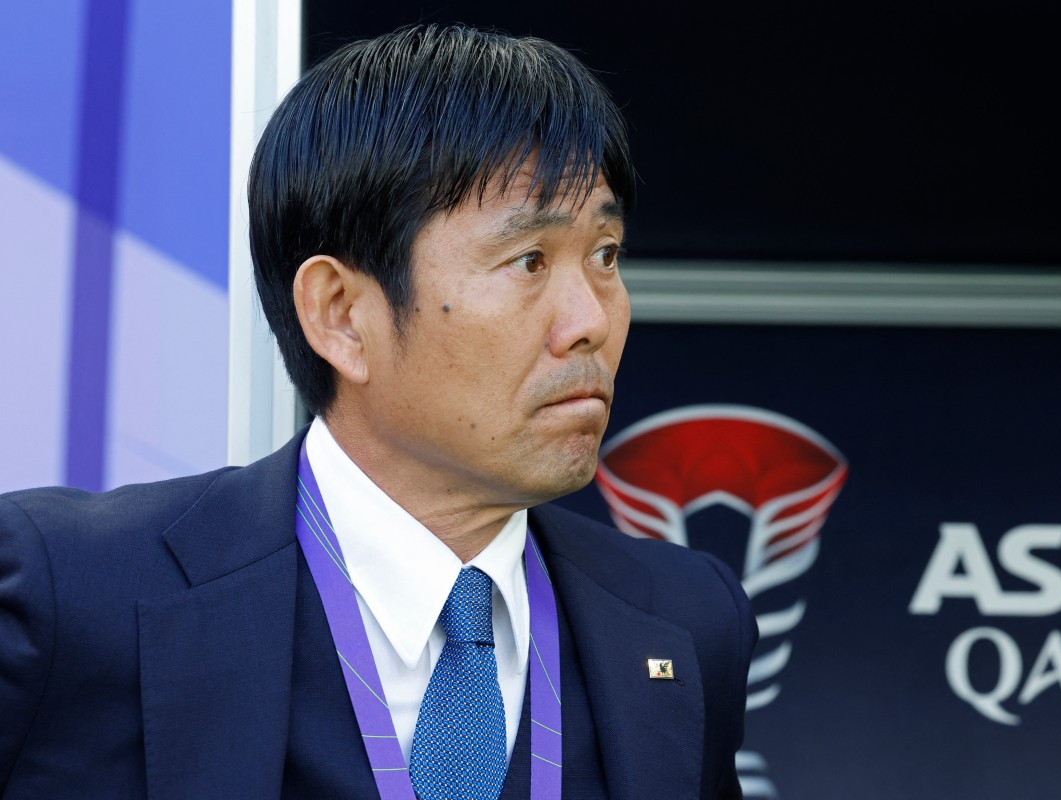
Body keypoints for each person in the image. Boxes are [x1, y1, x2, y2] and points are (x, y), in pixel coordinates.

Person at [0, 24, 755, 800]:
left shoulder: (688, 622)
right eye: (528, 260)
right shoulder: (73, 597)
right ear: (341, 315)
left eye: (605, 255)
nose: (591, 318)